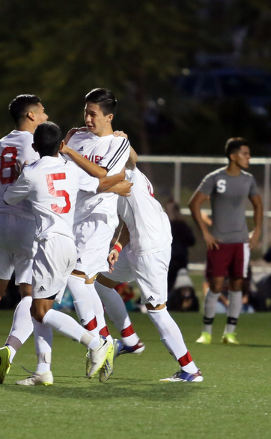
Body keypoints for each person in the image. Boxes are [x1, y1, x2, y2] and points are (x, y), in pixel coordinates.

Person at [3, 122, 128, 384]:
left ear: (35, 147)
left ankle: (96, 343)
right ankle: (43, 370)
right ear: (62, 146)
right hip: (69, 244)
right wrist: (118, 182)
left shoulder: (32, 172)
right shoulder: (71, 168)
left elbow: (9, 199)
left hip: (49, 245)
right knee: (41, 309)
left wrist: (18, 174)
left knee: (40, 311)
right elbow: (97, 184)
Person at [92, 149, 203, 382]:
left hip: (149, 246)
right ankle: (130, 340)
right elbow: (127, 220)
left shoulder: (127, 171)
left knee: (157, 310)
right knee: (99, 282)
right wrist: (117, 248)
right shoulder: (119, 177)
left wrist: (122, 143)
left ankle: (190, 370)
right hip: (136, 242)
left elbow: (131, 158)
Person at [0, 94, 49, 381]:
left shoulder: (3, 143)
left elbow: (10, 172)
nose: (45, 117)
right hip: (26, 223)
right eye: (42, 112)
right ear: (30, 115)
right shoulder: (37, 144)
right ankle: (8, 350)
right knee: (31, 293)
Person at [62, 88, 144, 363]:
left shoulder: (117, 143)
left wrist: (68, 152)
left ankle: (99, 342)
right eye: (85, 112)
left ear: (109, 117)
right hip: (71, 217)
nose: (87, 118)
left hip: (98, 220)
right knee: (87, 283)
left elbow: (104, 177)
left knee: (75, 278)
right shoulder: (75, 136)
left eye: (93, 114)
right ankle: (108, 341)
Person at [189, 137, 263, 345]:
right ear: (233, 156)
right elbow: (194, 203)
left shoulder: (248, 179)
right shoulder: (215, 178)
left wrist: (256, 231)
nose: (249, 157)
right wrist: (205, 232)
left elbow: (258, 205)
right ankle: (206, 332)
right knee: (216, 285)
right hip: (219, 242)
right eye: (245, 153)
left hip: (241, 242)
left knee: (238, 284)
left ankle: (230, 333)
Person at [164, 198, 196, 293]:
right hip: (181, 260)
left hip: (168, 259)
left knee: (168, 284)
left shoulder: (164, 226)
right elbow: (191, 241)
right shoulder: (183, 226)